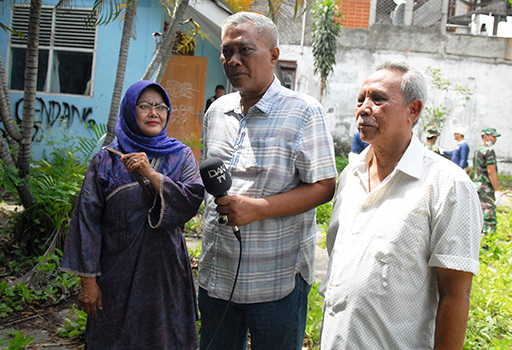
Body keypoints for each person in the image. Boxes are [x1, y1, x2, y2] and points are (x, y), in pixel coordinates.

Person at [199, 12, 337, 350]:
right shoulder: (217, 111)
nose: (232, 60)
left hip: (276, 280)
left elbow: (324, 186)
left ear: (274, 56)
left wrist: (259, 208)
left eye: (245, 50)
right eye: (226, 51)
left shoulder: (304, 112)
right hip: (218, 274)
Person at [320, 61, 483, 349]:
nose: (364, 108)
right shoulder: (351, 174)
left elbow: (456, 294)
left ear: (414, 110)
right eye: (361, 99)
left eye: (378, 99)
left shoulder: (447, 185)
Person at [61, 80, 204, 350]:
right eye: (145, 106)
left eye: (161, 107)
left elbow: (191, 201)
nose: (154, 113)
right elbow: (87, 222)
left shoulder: (181, 156)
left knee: (165, 339)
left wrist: (151, 174)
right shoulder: (106, 160)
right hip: (116, 277)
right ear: (129, 110)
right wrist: (88, 282)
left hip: (166, 277)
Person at [473, 127, 501, 236]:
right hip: (486, 187)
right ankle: (487, 243)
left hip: (476, 186)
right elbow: (491, 172)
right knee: (489, 216)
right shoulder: (489, 151)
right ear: (486, 137)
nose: (495, 139)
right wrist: (497, 190)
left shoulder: (477, 150)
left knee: (478, 214)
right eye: (493, 137)